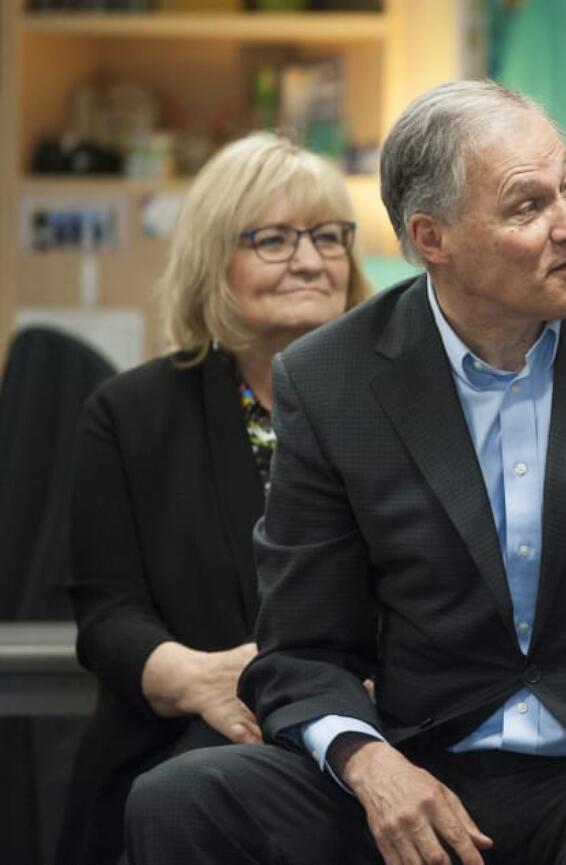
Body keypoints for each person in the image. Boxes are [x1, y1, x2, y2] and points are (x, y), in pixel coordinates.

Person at [124, 80, 566, 865]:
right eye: (526, 208)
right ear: (433, 238)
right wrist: (370, 763)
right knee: (181, 799)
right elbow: (301, 648)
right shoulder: (331, 380)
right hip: (425, 756)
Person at [57, 131, 373, 865]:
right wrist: (197, 678)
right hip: (178, 745)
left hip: (361, 738)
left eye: (328, 236)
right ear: (212, 260)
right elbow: (107, 612)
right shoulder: (129, 413)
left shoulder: (398, 402)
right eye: (272, 238)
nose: (309, 258)